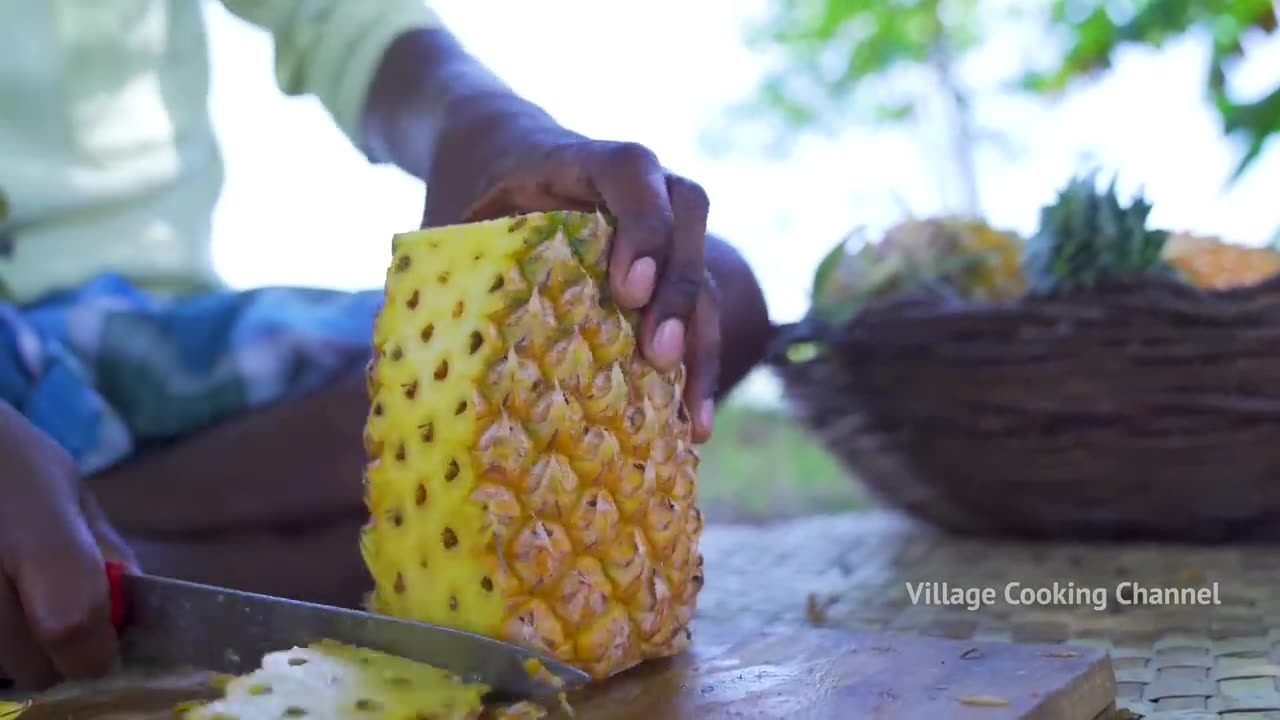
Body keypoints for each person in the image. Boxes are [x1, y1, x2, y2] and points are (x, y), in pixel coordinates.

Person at [0, 0, 772, 691]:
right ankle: (104, 571)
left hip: (154, 337)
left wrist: (482, 125)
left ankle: (94, 561)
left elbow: (342, 15)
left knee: (693, 284)